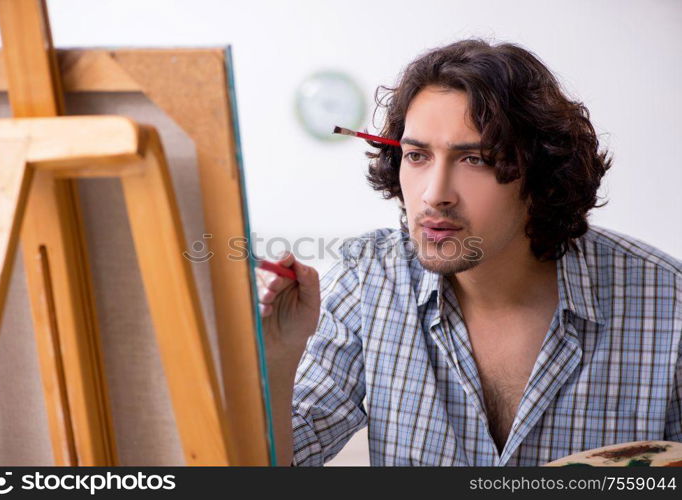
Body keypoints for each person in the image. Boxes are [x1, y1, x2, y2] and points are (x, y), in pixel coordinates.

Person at [256, 39, 682, 466]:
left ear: (541, 172)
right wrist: (277, 355)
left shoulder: (669, 301)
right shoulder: (368, 279)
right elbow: (275, 466)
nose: (434, 195)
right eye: (417, 155)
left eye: (474, 159)